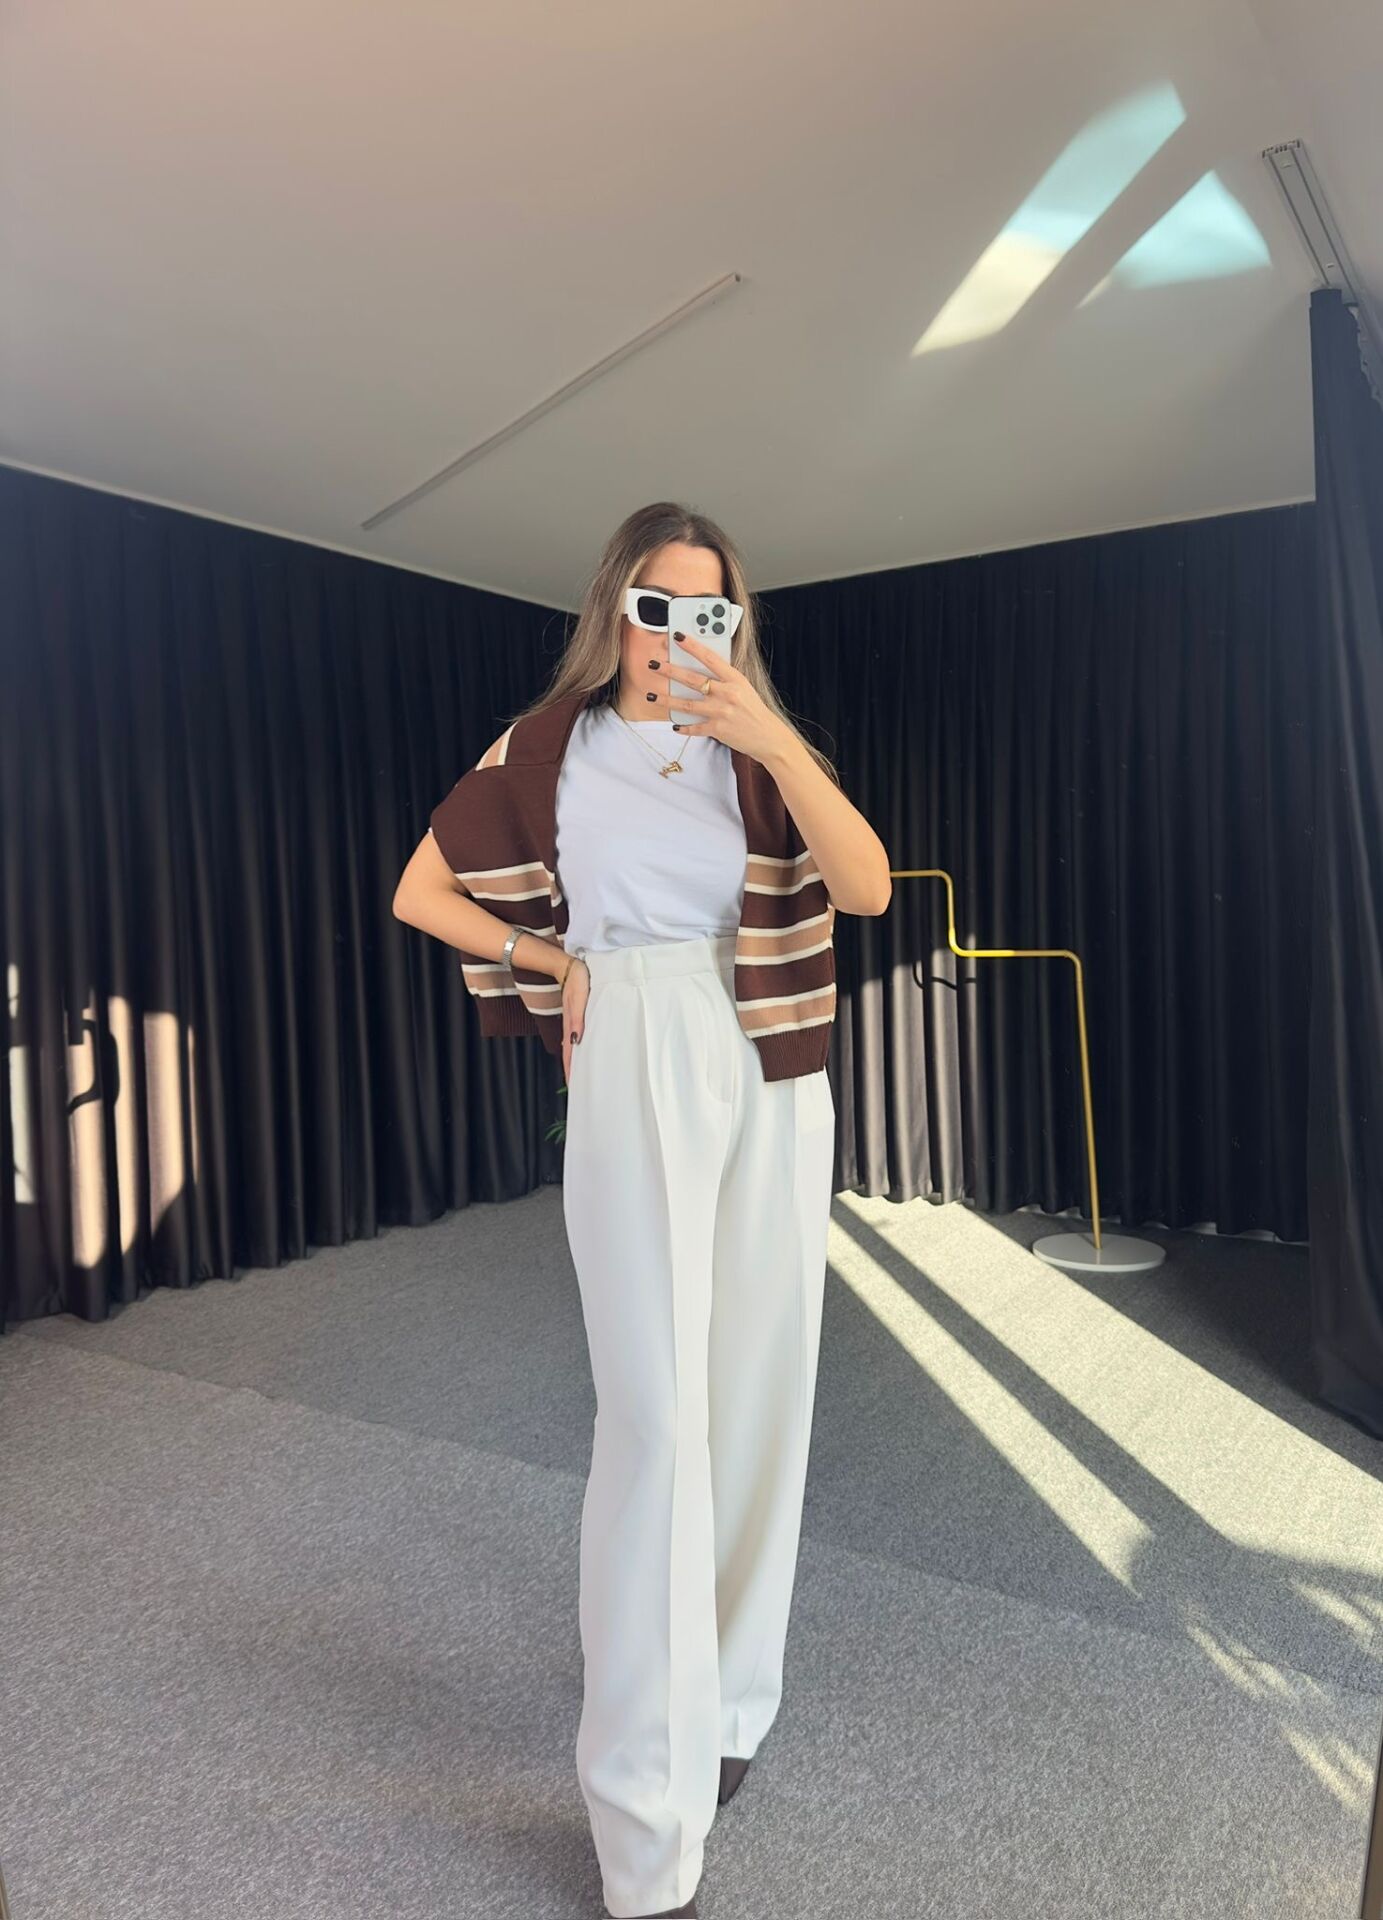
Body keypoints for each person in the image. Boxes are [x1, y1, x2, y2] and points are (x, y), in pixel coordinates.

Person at [394, 502, 892, 1917]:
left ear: (737, 623)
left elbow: (861, 889)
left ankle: (727, 1706)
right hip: (636, 1035)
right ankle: (640, 1820)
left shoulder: (756, 751)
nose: (683, 632)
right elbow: (422, 892)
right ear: (616, 611)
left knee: (761, 1395)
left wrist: (771, 735)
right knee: (656, 1418)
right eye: (658, 606)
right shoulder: (548, 747)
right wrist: (553, 966)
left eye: (710, 609)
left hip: (772, 1058)